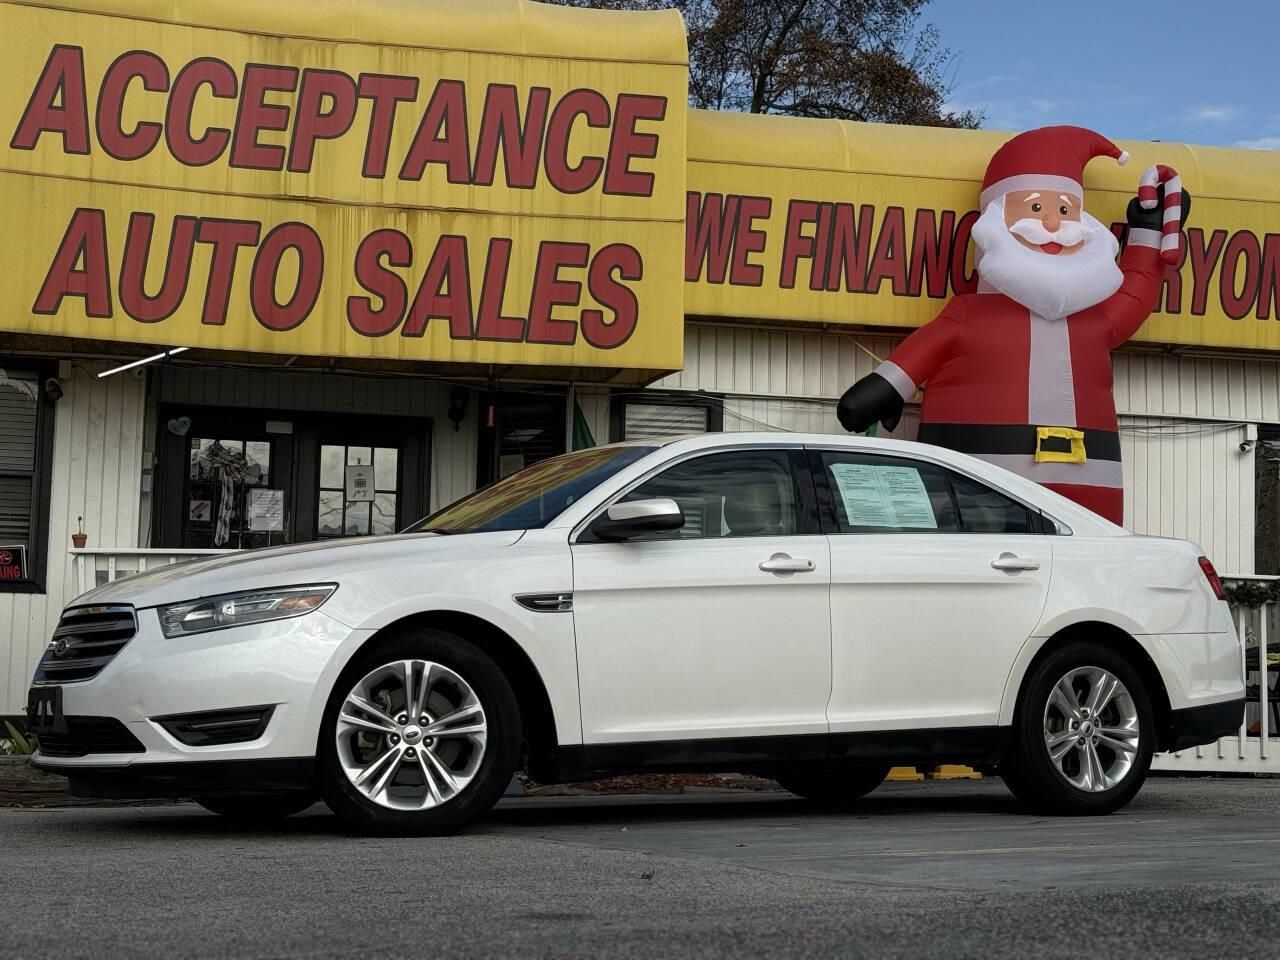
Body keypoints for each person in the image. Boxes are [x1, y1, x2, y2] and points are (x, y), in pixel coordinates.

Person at [836, 125, 1190, 525]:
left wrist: (1147, 234)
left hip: (1090, 488)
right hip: (976, 482)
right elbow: (929, 346)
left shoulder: (1092, 320)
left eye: (1064, 211)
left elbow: (1135, 294)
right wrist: (886, 386)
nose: (1053, 225)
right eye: (1036, 209)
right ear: (994, 223)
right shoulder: (970, 314)